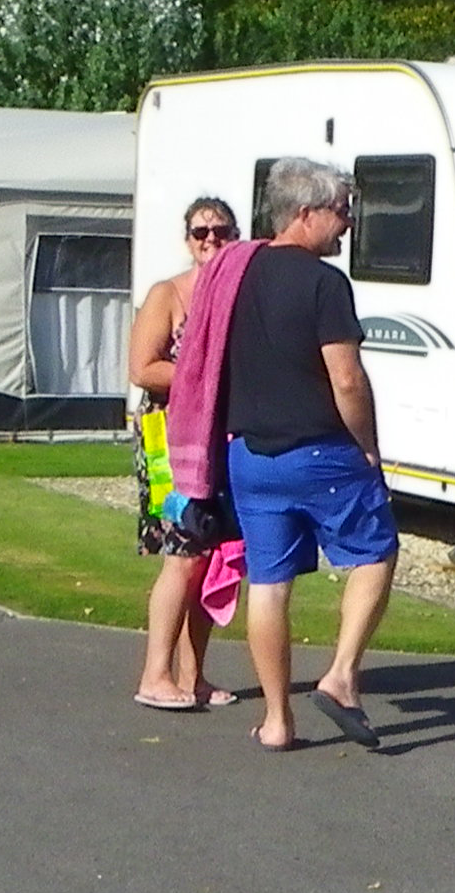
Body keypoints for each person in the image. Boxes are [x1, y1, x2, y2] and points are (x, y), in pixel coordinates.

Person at [221, 158, 398, 752]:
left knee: (268, 585)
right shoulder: (324, 284)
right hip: (318, 452)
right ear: (306, 213)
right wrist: (369, 446)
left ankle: (277, 719)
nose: (347, 225)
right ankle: (342, 675)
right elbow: (345, 379)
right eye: (342, 212)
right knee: (376, 551)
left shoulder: (235, 274)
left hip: (249, 455)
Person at [128, 196, 242, 710]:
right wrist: (205, 377)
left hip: (220, 440)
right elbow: (142, 368)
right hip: (169, 438)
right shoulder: (167, 295)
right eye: (201, 233)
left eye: (221, 232)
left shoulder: (236, 295)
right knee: (182, 554)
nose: (211, 240)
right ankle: (156, 675)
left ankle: (194, 677)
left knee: (211, 558)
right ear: (187, 238)